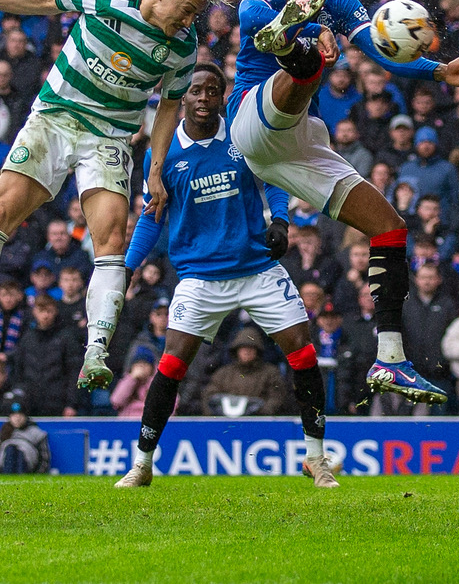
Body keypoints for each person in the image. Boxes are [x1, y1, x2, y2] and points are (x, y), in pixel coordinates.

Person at [0, 0, 227, 395]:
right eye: (186, 12)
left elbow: (167, 107)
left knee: (109, 239)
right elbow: (46, 0)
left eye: (196, 16)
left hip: (109, 138)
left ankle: (96, 353)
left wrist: (155, 169)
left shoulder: (181, 47)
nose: (189, 23)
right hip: (55, 117)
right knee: (0, 213)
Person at [226, 0, 459, 405]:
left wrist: (440, 71)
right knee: (307, 60)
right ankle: (287, 45)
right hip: (251, 116)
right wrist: (304, 26)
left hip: (297, 140)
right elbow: (246, 19)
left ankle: (390, 358)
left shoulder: (340, 0)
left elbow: (382, 51)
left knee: (390, 226)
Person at [113, 64, 338, 489]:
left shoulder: (240, 136)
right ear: (184, 98)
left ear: (222, 97)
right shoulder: (163, 154)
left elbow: (274, 177)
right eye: (195, 91)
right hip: (200, 275)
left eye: (212, 91)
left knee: (304, 354)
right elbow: (151, 217)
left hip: (256, 268)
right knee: (171, 365)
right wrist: (127, 266)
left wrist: (282, 221)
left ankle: (316, 458)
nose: (202, 98)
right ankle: (142, 464)